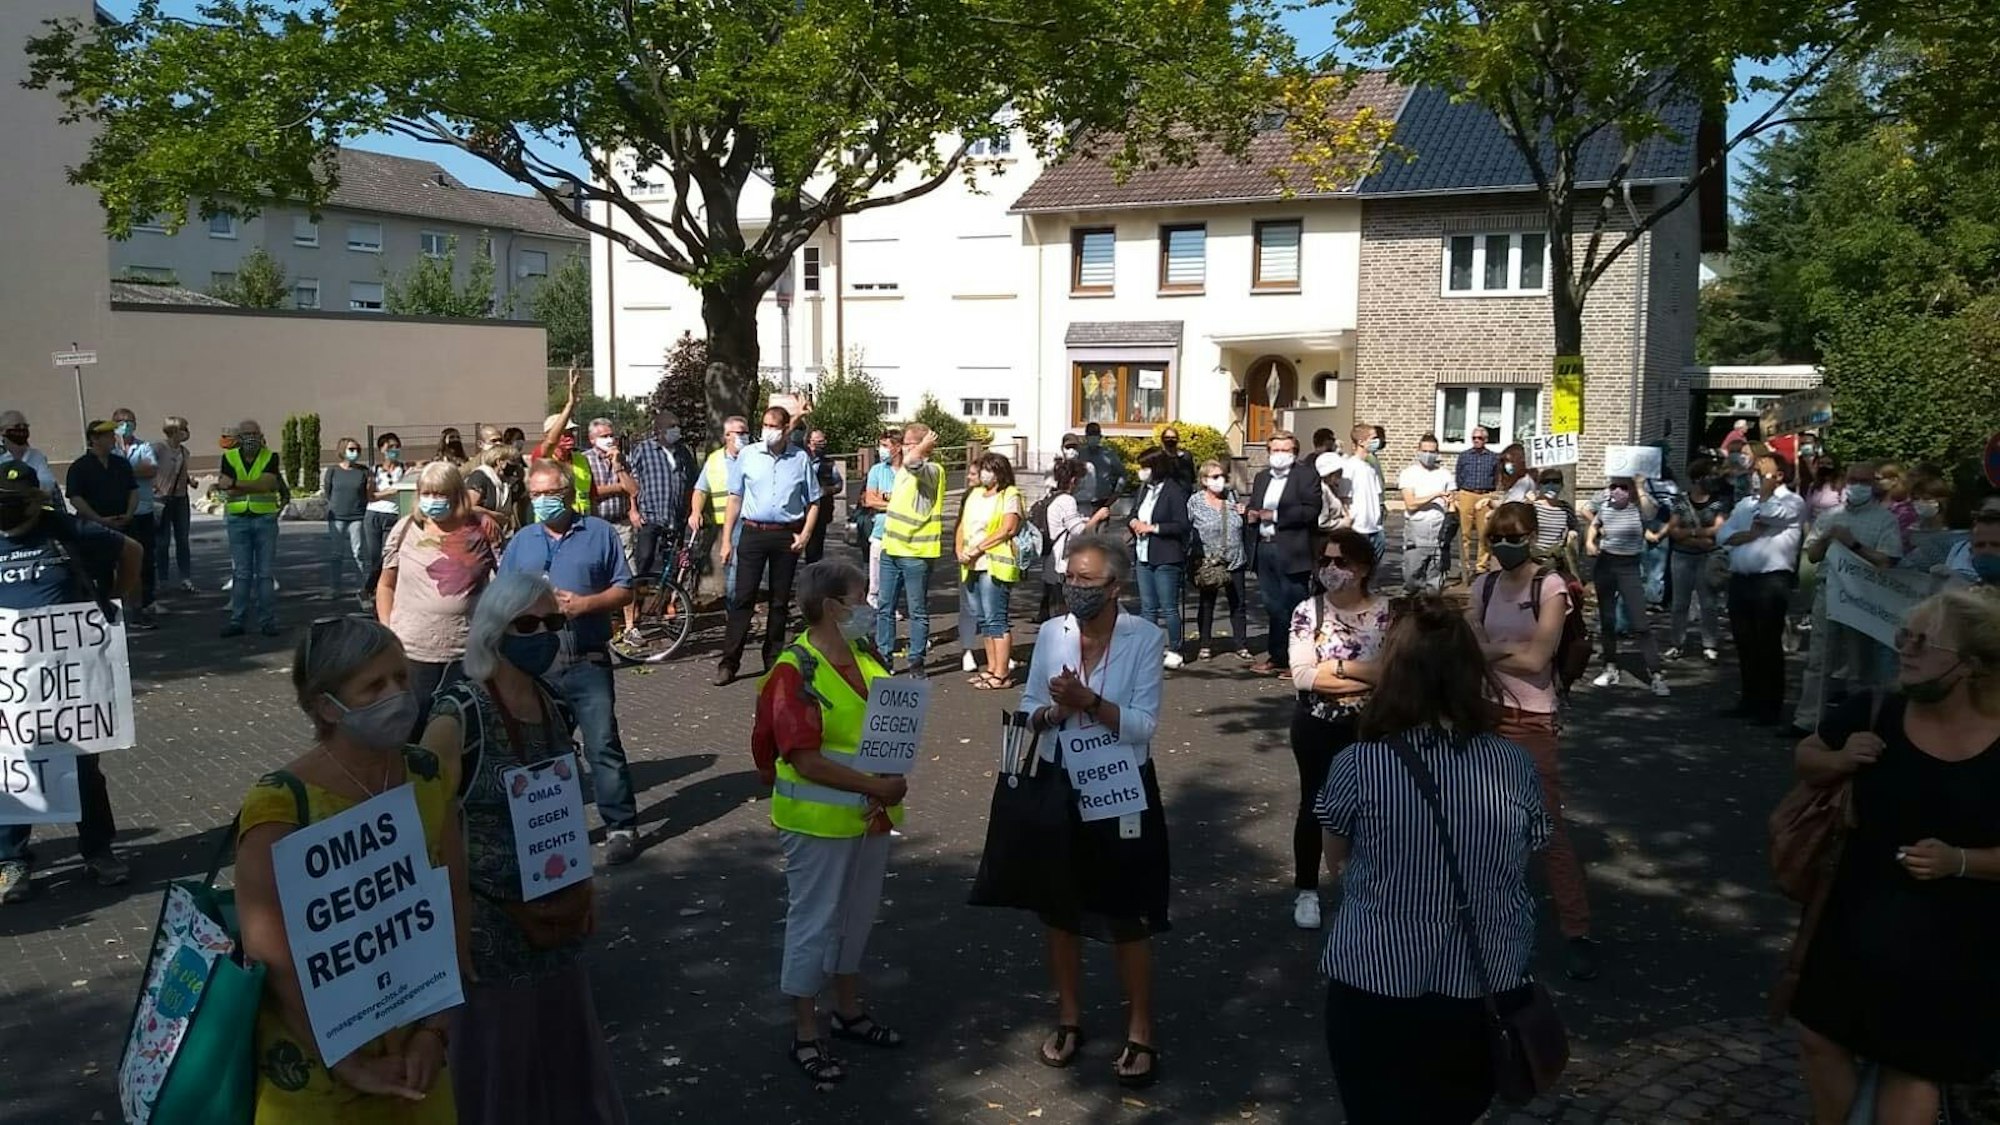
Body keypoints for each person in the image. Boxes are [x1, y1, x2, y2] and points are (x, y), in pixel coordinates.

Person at [1315, 595, 1552, 1124]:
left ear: (1393, 673)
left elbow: (1337, 861)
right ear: (1471, 671)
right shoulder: (1513, 763)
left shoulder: (1359, 764)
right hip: (1486, 978)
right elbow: (1530, 848)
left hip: (1377, 977)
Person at [233, 616, 466, 1120]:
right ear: (325, 707)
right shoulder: (280, 806)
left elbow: (454, 907)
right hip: (316, 1081)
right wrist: (344, 1060)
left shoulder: (425, 776)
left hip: (416, 1067)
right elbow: (270, 955)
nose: (397, 695)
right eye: (374, 686)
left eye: (402, 678)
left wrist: (435, 1031)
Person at [1788, 589, 2000, 1124]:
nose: (1905, 650)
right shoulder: (1878, 709)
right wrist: (1838, 759)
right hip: (1852, 911)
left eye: (1924, 643)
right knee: (1819, 1035)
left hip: (1954, 933)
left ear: (1972, 665)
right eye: (1904, 635)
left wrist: (1960, 861)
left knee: (1911, 1064)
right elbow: (1806, 758)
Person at [423, 573, 625, 1124]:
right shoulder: (457, 715)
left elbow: (564, 813)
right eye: (527, 624)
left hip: (556, 925)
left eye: (554, 623)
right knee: (497, 1077)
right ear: (495, 629)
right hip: (489, 937)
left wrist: (585, 891)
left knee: (564, 1068)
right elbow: (426, 831)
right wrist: (448, 931)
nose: (543, 634)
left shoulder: (552, 703)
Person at [1014, 534, 1169, 1088]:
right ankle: (1069, 1018)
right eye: (1070, 578)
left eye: (1087, 581)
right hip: (1062, 779)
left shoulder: (1146, 638)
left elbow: (1144, 725)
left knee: (1127, 910)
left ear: (1116, 586)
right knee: (1061, 909)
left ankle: (1140, 1029)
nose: (1075, 589)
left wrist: (1092, 705)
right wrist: (1054, 712)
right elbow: (1027, 710)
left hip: (1122, 783)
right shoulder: (1052, 634)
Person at [753, 560, 909, 1088]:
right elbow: (803, 758)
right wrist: (877, 786)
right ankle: (804, 1032)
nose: (869, 606)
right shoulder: (796, 669)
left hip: (869, 817)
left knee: (856, 919)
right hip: (819, 820)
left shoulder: (864, 652)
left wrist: (889, 776)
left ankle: (847, 1012)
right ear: (832, 607)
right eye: (859, 597)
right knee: (814, 923)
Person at [1471, 502, 1600, 979]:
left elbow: (1538, 660)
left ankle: (1577, 929)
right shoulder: (1484, 586)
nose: (1505, 546)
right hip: (1484, 714)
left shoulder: (1549, 586)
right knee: (1480, 824)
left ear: (1531, 538)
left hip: (1532, 716)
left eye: (1513, 537)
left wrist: (1490, 651)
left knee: (1546, 827)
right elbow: (1475, 644)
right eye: (1497, 538)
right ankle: (1484, 923)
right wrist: (1508, 651)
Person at [0, 462, 138, 901]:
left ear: (33, 502)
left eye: (13, 503)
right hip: (11, 681)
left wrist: (115, 604)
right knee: (12, 767)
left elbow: (131, 551)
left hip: (67, 678)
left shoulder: (66, 530)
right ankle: (10, 861)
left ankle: (98, 851)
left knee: (81, 767)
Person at [501, 461, 640, 865]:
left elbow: (625, 590)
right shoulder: (522, 541)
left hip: (586, 660)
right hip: (534, 666)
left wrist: (586, 604)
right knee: (539, 753)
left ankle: (620, 826)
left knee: (602, 745)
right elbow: (502, 593)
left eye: (551, 494)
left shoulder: (599, 534)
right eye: (536, 495)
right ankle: (546, 828)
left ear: (568, 494)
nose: (543, 502)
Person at [1286, 529, 1391, 931]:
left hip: (1373, 725)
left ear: (1363, 568)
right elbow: (1304, 676)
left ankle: (1367, 887)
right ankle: (1307, 890)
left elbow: (1395, 672)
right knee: (1315, 803)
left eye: (1341, 562)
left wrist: (1341, 669)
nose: (1331, 569)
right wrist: (1370, 676)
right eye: (1325, 561)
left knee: (1374, 808)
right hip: (1317, 724)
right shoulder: (1307, 611)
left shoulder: (1387, 613)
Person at [378, 461, 500, 731]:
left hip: (465, 652)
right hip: (413, 650)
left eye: (440, 494)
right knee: (414, 728)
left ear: (457, 494)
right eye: (427, 494)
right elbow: (386, 585)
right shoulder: (405, 530)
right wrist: (388, 630)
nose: (432, 501)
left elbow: (505, 583)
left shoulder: (481, 531)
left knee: (463, 728)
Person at [1793, 461, 1904, 733]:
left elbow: (1887, 560)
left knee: (1859, 666)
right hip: (1829, 590)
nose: (1858, 486)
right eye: (1854, 480)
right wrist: (1829, 537)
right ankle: (1808, 721)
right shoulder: (1831, 515)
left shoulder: (1885, 520)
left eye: (1864, 482)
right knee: (1818, 660)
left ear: (1873, 485)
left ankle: (1857, 724)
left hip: (1862, 597)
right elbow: (1813, 554)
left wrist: (1853, 544)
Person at [716, 405, 822, 685]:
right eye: (765, 425)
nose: (768, 431)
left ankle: (773, 658)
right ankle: (729, 662)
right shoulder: (749, 455)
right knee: (743, 597)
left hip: (785, 534)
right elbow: (734, 497)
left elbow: (814, 501)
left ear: (787, 429)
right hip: (752, 532)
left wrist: (806, 534)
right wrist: (727, 539)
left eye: (774, 426)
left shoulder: (800, 458)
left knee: (779, 600)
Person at [1722, 452, 1808, 726]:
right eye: (1755, 474)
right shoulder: (1746, 503)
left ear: (1778, 475)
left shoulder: (1792, 501)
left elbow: (1773, 514)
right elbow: (1723, 534)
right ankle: (1749, 699)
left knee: (1767, 643)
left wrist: (1767, 490)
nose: (1756, 479)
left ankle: (1770, 706)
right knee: (1744, 642)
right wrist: (1745, 535)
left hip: (1771, 580)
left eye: (1762, 473)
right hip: (1741, 579)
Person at [1582, 475, 1670, 695]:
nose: (1618, 491)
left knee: (1640, 622)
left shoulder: (1638, 508)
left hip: (1629, 566)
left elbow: (1651, 513)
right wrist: (1589, 541)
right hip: (1606, 563)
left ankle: (1656, 674)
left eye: (1623, 487)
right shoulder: (1606, 507)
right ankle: (1610, 667)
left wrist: (1639, 486)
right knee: (1608, 619)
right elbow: (1594, 524)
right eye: (1614, 486)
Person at [1247, 431, 1322, 675]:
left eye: (1285, 450)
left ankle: (1299, 660)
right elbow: (1254, 505)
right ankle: (1278, 656)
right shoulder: (1261, 477)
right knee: (1273, 607)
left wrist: (1276, 515)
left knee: (1295, 607)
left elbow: (1311, 511)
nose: (1279, 455)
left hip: (1291, 548)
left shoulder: (1306, 476)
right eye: (1275, 450)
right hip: (1264, 546)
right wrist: (1249, 513)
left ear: (1294, 453)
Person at [875, 424, 945, 676]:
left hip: (916, 552)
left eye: (907, 443)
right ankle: (883, 658)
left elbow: (914, 461)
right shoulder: (905, 471)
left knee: (917, 610)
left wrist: (924, 445)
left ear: (920, 445)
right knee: (884, 607)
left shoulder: (932, 470)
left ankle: (916, 661)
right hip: (892, 549)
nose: (902, 447)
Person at [66, 419, 148, 628]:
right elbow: (75, 498)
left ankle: (136, 613)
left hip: (124, 523)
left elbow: (133, 490)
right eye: (108, 435)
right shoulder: (79, 467)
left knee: (132, 567)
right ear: (94, 439)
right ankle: (104, 616)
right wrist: (98, 519)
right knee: (100, 573)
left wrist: (129, 513)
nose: (113, 438)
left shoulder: (120, 463)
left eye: (113, 434)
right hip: (95, 527)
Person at [958, 451, 1026, 688]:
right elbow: (962, 525)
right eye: (982, 469)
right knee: (984, 620)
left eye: (989, 469)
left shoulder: (1010, 495)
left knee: (996, 618)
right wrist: (960, 551)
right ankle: (991, 668)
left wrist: (978, 549)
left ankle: (1001, 673)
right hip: (971, 564)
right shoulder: (975, 494)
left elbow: (1007, 529)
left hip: (994, 564)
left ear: (999, 472)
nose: (984, 474)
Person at [217, 419, 284, 638]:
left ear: (260, 434)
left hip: (264, 518)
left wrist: (237, 485)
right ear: (239, 437)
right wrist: (251, 485)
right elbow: (226, 485)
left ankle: (268, 621)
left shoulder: (270, 457)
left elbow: (268, 484)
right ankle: (237, 620)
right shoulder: (228, 457)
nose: (250, 438)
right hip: (238, 519)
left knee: (265, 574)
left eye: (254, 433)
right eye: (246, 434)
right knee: (241, 573)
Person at [1128, 448, 1191, 669]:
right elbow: (1134, 512)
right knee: (1147, 607)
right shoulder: (1145, 489)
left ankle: (1175, 648)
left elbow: (1182, 525)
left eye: (1145, 467)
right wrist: (1134, 522)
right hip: (1143, 554)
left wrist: (1153, 528)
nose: (1142, 472)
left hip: (1166, 556)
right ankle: (1149, 648)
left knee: (1169, 607)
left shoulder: (1174, 492)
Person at [1664, 458, 1729, 663]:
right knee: (1679, 603)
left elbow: (1719, 530)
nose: (1712, 479)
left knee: (1708, 603)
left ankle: (1709, 644)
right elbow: (1673, 530)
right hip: (1682, 557)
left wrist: (1689, 534)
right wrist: (1699, 537)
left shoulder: (1720, 502)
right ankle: (1677, 643)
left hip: (1707, 558)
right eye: (1709, 475)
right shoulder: (1680, 501)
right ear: (1697, 479)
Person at [1187, 458, 1251, 660]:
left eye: (1222, 476)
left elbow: (1242, 522)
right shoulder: (1195, 502)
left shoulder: (1232, 496)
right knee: (1207, 604)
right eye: (1214, 477)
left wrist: (1245, 513)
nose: (1219, 480)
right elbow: (1186, 528)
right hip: (1209, 562)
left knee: (1238, 603)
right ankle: (1205, 644)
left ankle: (1241, 644)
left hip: (1235, 558)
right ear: (1204, 480)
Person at [627, 409, 698, 588]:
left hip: (676, 516)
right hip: (650, 515)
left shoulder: (683, 453)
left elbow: (692, 482)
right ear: (659, 430)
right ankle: (640, 598)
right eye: (671, 427)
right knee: (645, 557)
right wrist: (633, 510)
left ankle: (667, 601)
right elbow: (632, 482)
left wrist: (691, 511)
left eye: (678, 427)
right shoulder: (643, 450)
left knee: (673, 562)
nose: (677, 430)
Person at [687, 416, 750, 605]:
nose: (745, 436)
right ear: (727, 436)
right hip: (726, 525)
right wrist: (695, 511)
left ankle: (741, 609)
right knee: (732, 571)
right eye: (740, 433)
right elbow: (700, 489)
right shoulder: (714, 460)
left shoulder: (755, 456)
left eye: (746, 432)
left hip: (753, 522)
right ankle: (735, 612)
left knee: (748, 572)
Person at [107, 408, 161, 621]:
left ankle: (147, 600)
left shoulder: (144, 446)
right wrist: (132, 469)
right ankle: (120, 602)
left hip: (143, 509)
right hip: (117, 512)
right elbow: (107, 473)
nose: (126, 424)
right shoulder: (110, 449)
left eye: (130, 421)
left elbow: (151, 470)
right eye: (121, 421)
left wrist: (123, 470)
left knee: (146, 557)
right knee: (117, 559)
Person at [1038, 457, 1101, 622]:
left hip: (1049, 559)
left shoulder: (1051, 497)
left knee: (1054, 608)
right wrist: (1097, 517)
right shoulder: (1067, 500)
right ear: (1073, 480)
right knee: (1064, 611)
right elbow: (1078, 530)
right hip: (1061, 561)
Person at [1398, 434, 1455, 594]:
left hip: (1438, 531)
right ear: (1418, 451)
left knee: (1435, 582)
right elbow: (1411, 504)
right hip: (1416, 532)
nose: (1428, 455)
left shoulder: (1445, 474)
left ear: (1437, 453)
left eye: (1432, 451)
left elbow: (1451, 503)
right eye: (1425, 451)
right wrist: (1435, 495)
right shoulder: (1409, 474)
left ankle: (1432, 614)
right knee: (1411, 579)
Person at [321, 436, 371, 602]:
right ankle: (335, 588)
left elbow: (367, 493)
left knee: (359, 553)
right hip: (337, 517)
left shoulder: (363, 471)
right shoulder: (333, 471)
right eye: (351, 449)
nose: (354, 452)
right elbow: (328, 492)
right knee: (336, 554)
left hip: (357, 516)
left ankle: (364, 588)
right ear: (342, 451)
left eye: (356, 449)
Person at [362, 431, 409, 601]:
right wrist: (390, 492)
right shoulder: (374, 470)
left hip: (393, 515)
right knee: (374, 556)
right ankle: (370, 589)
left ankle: (384, 589)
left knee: (388, 555)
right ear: (381, 449)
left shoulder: (404, 469)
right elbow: (371, 495)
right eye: (390, 447)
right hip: (374, 514)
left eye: (397, 447)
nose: (394, 450)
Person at [1452, 425, 1501, 578]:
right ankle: (1465, 565)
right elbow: (1459, 476)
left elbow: (1496, 477)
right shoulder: (1464, 456)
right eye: (1474, 438)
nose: (1476, 441)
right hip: (1467, 493)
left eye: (1480, 438)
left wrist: (1492, 496)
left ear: (1486, 440)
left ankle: (1481, 566)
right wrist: (1460, 493)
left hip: (1484, 495)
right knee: (1465, 533)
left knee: (1483, 533)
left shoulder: (1493, 457)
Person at [859, 428, 901, 607]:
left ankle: (891, 606)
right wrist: (898, 506)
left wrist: (884, 501)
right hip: (880, 532)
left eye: (885, 445)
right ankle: (876, 607)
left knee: (896, 576)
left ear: (897, 447)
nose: (880, 449)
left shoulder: (909, 472)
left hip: (902, 534)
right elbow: (870, 500)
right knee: (876, 579)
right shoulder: (876, 470)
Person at [154, 415, 195, 594]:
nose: (187, 432)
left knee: (183, 540)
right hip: (162, 499)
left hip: (180, 498)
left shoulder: (184, 452)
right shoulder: (158, 449)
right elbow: (148, 469)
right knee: (162, 542)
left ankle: (185, 578)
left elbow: (181, 473)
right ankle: (162, 579)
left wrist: (189, 481)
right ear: (174, 431)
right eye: (184, 428)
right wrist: (154, 488)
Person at [1342, 425, 1387, 562]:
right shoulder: (1350, 466)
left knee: (1372, 570)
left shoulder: (1371, 465)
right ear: (1361, 442)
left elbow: (1377, 493)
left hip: (1375, 527)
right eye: (1373, 438)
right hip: (1359, 528)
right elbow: (1344, 497)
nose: (1377, 441)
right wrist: (1348, 520)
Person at [0, 410, 62, 506]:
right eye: (17, 427)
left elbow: (47, 483)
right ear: (2, 431)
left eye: (25, 426)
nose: (21, 430)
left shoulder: (36, 456)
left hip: (35, 508)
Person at [804, 429, 844, 565]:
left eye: (823, 441)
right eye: (818, 442)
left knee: (815, 550)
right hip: (799, 511)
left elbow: (839, 485)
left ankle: (813, 577)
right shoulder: (801, 460)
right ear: (809, 443)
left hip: (820, 511)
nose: (821, 445)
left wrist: (826, 490)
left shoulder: (829, 464)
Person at [1530, 469, 1578, 569]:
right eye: (1546, 482)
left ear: (1561, 485)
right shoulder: (1532, 507)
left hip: (1556, 560)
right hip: (1534, 559)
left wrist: (1572, 534)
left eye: (1555, 481)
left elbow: (1574, 527)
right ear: (1539, 486)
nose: (1551, 485)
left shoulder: (1566, 508)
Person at [1077, 422, 1126, 514]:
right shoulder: (1080, 455)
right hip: (1083, 502)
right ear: (1086, 437)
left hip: (1103, 501)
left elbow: (1122, 474)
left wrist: (1116, 493)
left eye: (1095, 435)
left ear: (1100, 437)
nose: (1093, 438)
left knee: (1101, 528)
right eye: (1090, 435)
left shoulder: (1109, 455)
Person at [1313, 452, 1349, 537]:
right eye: (1339, 472)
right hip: (1327, 538)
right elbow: (1322, 523)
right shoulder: (1322, 491)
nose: (1341, 474)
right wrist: (1343, 523)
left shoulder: (1332, 487)